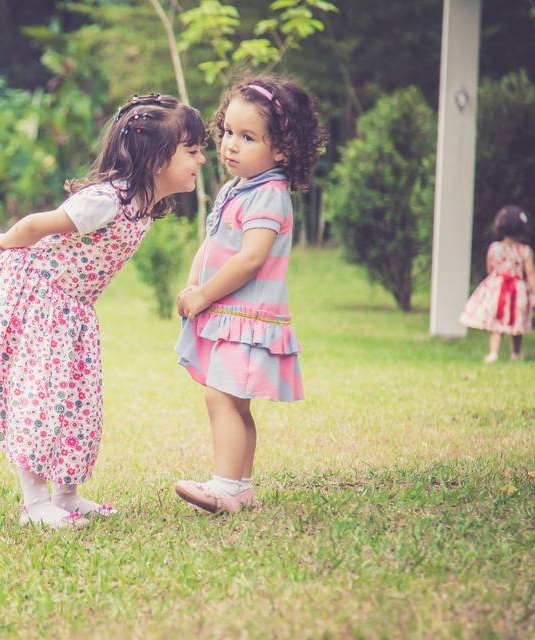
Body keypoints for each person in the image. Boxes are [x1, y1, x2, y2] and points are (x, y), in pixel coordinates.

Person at [0, 94, 207, 529]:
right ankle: (34, 503)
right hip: (40, 295)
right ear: (156, 158)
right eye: (191, 150)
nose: (201, 159)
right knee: (42, 396)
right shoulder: (106, 200)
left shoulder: (143, 207)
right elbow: (38, 225)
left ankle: (66, 494)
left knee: (75, 400)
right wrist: (4, 242)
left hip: (72, 307)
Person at [172, 75, 326, 514]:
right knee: (234, 402)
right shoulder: (239, 189)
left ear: (282, 149)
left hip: (249, 318)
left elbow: (250, 258)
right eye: (227, 133)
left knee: (222, 397)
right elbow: (213, 242)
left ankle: (225, 486)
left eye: (247, 137)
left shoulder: (270, 196)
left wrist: (205, 296)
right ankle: (240, 487)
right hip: (232, 314)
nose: (230, 146)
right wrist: (192, 284)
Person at [459, 205, 535, 362]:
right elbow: (530, 273)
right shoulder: (525, 251)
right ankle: (515, 353)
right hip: (517, 290)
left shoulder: (494, 248)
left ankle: (493, 352)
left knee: (497, 322)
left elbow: (490, 267)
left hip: (498, 288)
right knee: (517, 322)